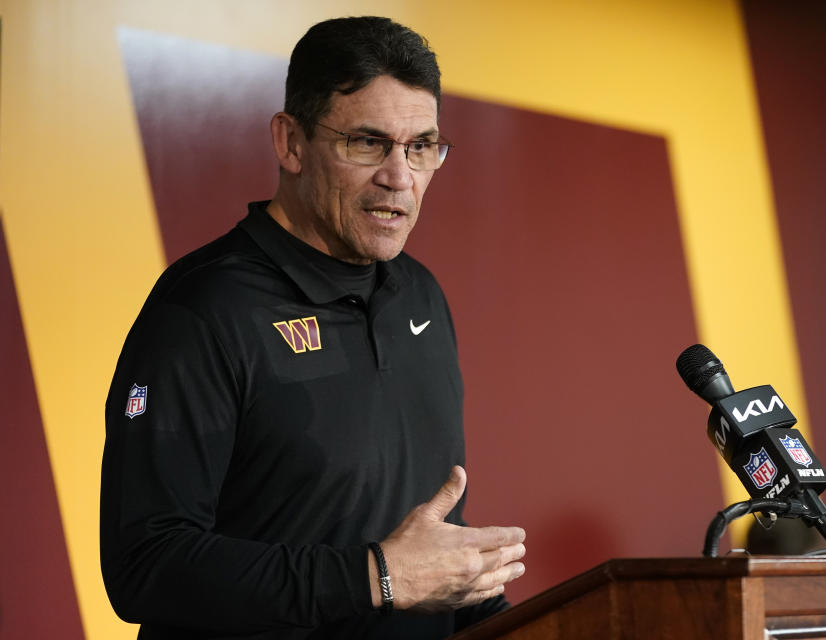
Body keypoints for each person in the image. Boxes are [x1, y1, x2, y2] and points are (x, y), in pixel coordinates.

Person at [101, 16, 526, 639]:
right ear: (291, 143)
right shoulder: (203, 310)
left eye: (421, 147)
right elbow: (144, 565)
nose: (400, 177)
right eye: (367, 143)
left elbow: (425, 560)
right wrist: (375, 576)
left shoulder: (422, 297)